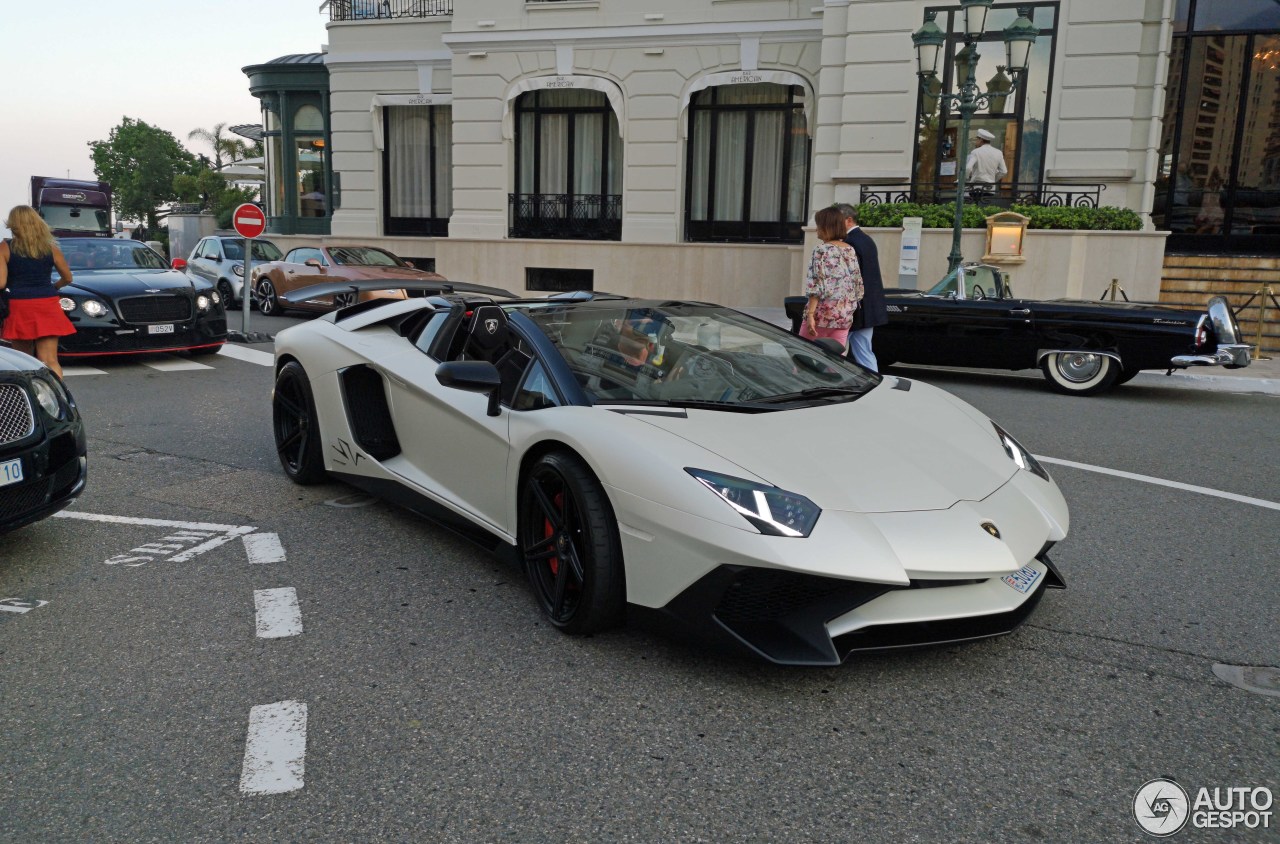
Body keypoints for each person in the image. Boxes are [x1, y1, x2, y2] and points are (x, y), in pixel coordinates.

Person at [0, 206, 76, 378]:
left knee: (24, 360)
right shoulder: (50, 248)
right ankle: (59, 398)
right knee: (50, 360)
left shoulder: (5, 247)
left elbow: (1, 282)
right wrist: (53, 287)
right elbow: (68, 278)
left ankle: (33, 400)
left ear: (14, 225)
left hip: (19, 306)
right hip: (47, 304)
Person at [800, 207, 863, 349]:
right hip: (844, 315)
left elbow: (816, 285)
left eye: (818, 225)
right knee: (835, 362)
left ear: (826, 227)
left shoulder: (821, 250)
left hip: (821, 314)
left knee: (803, 357)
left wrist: (810, 314)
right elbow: (858, 284)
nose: (816, 229)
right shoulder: (850, 249)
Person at [835, 203, 888, 371]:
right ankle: (875, 385)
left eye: (836, 221)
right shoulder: (865, 239)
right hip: (868, 307)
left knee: (833, 350)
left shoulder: (850, 242)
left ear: (848, 220)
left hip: (855, 308)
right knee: (864, 351)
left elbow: (850, 278)